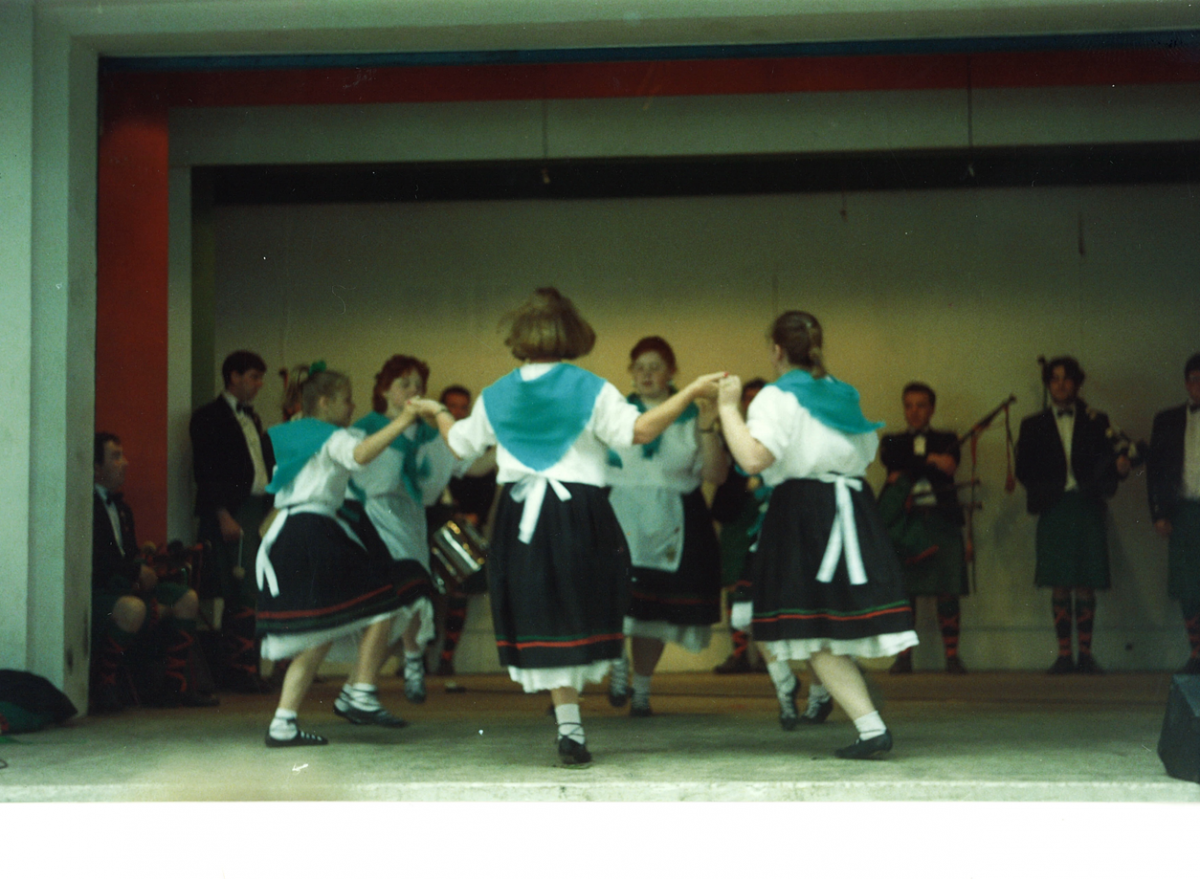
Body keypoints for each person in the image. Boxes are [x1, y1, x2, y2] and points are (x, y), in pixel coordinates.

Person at [411, 287, 723, 766]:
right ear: (572, 334)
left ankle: (571, 724)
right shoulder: (591, 387)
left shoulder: (498, 392)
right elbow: (638, 431)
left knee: (544, 617)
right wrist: (691, 391)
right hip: (581, 512)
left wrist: (436, 412)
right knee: (581, 612)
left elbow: (460, 445)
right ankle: (580, 717)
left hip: (521, 516)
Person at [716, 311, 917, 759]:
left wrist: (728, 409)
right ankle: (866, 722)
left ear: (776, 351)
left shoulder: (775, 397)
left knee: (812, 628)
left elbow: (753, 459)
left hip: (805, 511)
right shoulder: (844, 392)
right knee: (823, 627)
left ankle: (870, 726)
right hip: (852, 507)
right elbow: (865, 454)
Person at [255, 365, 431, 747]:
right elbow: (359, 454)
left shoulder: (293, 433)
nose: (352, 407)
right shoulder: (330, 435)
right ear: (324, 402)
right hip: (314, 532)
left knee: (320, 632)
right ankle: (361, 692)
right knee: (385, 602)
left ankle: (283, 723)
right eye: (346, 399)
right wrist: (403, 420)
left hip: (290, 534)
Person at [605, 336, 728, 716]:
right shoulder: (615, 412)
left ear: (672, 372)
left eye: (655, 367)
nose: (646, 375)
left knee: (653, 614)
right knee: (614, 604)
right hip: (620, 514)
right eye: (639, 367)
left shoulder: (692, 415)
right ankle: (617, 665)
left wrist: (707, 429)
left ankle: (642, 691)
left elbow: (716, 475)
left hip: (672, 519)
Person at [1015, 356, 1131, 674]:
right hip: (1053, 507)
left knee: (1086, 581)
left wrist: (1120, 470)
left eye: (1067, 378)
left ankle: (1086, 655)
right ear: (1048, 384)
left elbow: (1111, 462)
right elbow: (1023, 469)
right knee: (1059, 581)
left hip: (1087, 505)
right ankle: (1064, 654)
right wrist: (1047, 490)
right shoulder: (1032, 424)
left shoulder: (1097, 420)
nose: (1061, 384)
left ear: (1077, 383)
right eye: (1054, 378)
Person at [92, 433, 219, 712]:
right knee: (133, 608)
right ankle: (103, 687)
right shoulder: (85, 508)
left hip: (129, 585)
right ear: (96, 468)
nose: (125, 463)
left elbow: (129, 554)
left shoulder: (123, 509)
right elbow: (98, 561)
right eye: (116, 457)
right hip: (103, 591)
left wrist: (145, 565)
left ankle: (173, 687)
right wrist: (134, 572)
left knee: (187, 598)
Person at [353, 355, 453, 703]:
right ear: (384, 389)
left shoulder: (428, 433)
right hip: (375, 517)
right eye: (404, 383)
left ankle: (412, 661)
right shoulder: (367, 427)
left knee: (416, 591)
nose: (413, 390)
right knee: (388, 595)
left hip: (410, 517)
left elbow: (459, 463)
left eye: (418, 385)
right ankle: (366, 681)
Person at [189, 350, 276, 693]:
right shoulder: (208, 417)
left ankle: (245, 667)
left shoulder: (252, 417)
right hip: (232, 511)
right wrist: (222, 513)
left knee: (253, 588)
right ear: (234, 377)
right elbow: (205, 469)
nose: (259, 384)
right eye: (253, 376)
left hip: (257, 509)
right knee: (240, 588)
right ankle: (239, 670)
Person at [879, 382, 969, 674]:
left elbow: (947, 467)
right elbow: (892, 461)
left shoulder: (948, 439)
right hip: (905, 522)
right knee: (905, 592)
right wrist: (931, 460)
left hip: (942, 519)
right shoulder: (892, 440)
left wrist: (909, 466)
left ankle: (952, 657)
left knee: (948, 589)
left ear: (931, 409)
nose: (914, 411)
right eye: (909, 406)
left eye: (921, 405)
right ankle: (904, 657)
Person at [426, 384, 498, 677]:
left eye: (462, 407)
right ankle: (417, 659)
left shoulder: (475, 446)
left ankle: (446, 658)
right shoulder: (428, 442)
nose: (457, 412)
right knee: (425, 595)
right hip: (429, 524)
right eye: (451, 406)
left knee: (460, 593)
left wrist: (474, 515)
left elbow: (483, 478)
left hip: (464, 528)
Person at [711, 378, 768, 674]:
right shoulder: (731, 431)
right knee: (734, 582)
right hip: (735, 515)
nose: (753, 403)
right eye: (748, 398)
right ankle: (740, 653)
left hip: (768, 514)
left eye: (760, 397)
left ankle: (768, 656)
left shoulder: (779, 430)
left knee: (766, 585)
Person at [1147, 353, 1200, 675]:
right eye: (1194, 379)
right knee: (1187, 586)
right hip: (1183, 512)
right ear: (1185, 383)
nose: (1199, 385)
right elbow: (1154, 472)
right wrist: (1158, 514)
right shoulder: (1167, 420)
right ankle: (1197, 653)